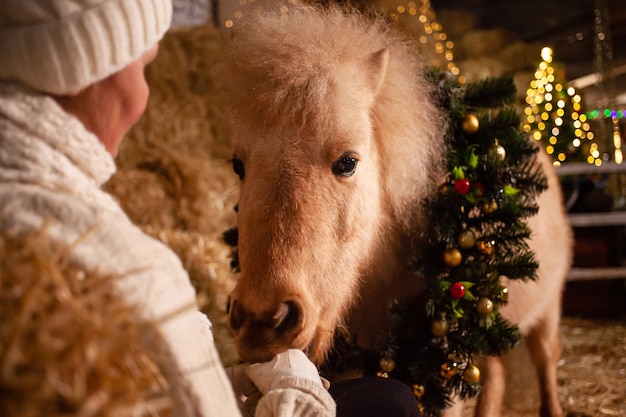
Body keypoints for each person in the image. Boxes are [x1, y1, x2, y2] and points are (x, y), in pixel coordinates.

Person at [0, 1, 333, 416]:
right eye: (142, 69)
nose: (144, 95)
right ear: (83, 69)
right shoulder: (131, 275)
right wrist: (296, 386)